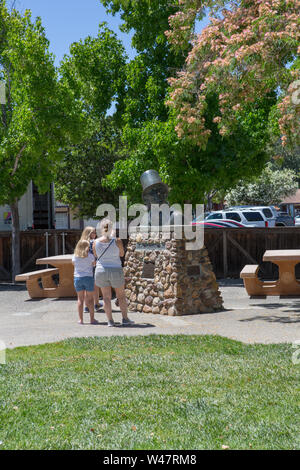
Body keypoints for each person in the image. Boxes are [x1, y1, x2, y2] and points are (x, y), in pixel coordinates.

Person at [93, 218, 134, 327]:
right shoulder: (117, 240)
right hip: (115, 269)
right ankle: (125, 319)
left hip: (101, 270)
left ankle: (110, 321)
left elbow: (96, 256)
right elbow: (121, 254)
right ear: (112, 228)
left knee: (106, 297)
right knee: (121, 296)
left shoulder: (95, 242)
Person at [72, 239, 98, 325]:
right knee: (90, 299)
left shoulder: (75, 256)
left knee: (80, 299)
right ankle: (92, 319)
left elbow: (73, 264)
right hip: (88, 278)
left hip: (78, 278)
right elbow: (94, 264)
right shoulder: (90, 256)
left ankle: (80, 319)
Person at [79, 226, 102, 313]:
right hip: (93, 266)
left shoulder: (81, 243)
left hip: (84, 267)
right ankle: (96, 304)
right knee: (95, 287)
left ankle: (87, 306)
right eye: (93, 232)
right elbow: (96, 255)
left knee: (86, 288)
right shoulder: (94, 242)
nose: (95, 234)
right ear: (89, 234)